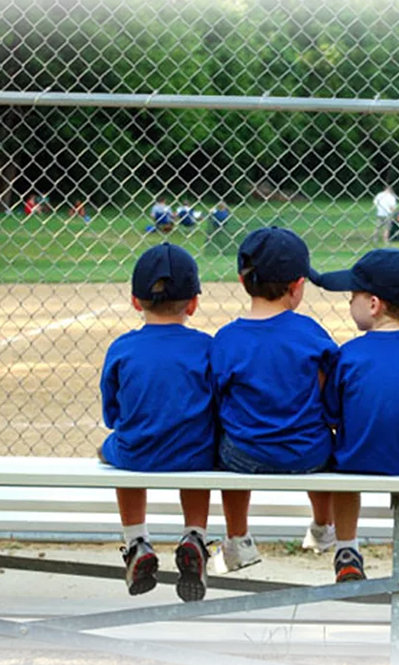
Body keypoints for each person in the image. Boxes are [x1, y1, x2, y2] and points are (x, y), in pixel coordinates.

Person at [313, 249, 399, 602]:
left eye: (352, 295)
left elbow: (333, 414)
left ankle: (347, 551)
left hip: (356, 462)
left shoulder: (348, 354)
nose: (348, 302)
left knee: (342, 468)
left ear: (373, 305)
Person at [210, 227, 336, 573]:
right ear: (297, 286)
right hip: (308, 454)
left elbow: (219, 397)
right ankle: (323, 527)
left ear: (241, 279)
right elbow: (329, 391)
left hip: (244, 456)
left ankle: (238, 538)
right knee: (328, 447)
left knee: (224, 443)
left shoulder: (227, 338)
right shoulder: (310, 332)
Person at [98, 243, 216, 602]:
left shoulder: (122, 348)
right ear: (193, 303)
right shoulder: (208, 347)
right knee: (199, 449)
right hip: (196, 453)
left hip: (138, 453)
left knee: (118, 446)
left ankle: (136, 540)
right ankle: (194, 535)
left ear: (136, 301)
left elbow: (112, 413)